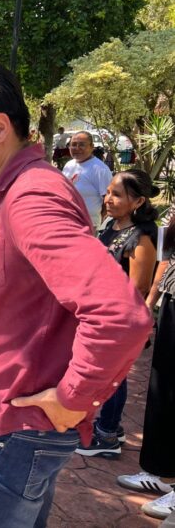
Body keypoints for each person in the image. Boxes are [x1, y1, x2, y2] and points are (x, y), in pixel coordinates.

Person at [0, 62, 152, 528]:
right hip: (18, 425)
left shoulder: (31, 198)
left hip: (16, 429)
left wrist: (74, 397)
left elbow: (120, 315)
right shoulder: (25, 189)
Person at [75, 169, 158, 458]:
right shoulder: (112, 225)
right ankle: (108, 427)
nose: (108, 198)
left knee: (114, 378)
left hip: (118, 319)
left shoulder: (141, 237)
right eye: (108, 192)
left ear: (138, 202)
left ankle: (108, 435)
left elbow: (138, 287)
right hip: (98, 313)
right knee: (104, 375)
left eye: (117, 194)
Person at [118, 215, 175, 520]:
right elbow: (168, 255)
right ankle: (159, 472)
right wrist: (150, 303)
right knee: (162, 387)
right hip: (173, 295)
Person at [62, 130, 112, 230]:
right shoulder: (69, 165)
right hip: (66, 221)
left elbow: (108, 198)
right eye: (73, 144)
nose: (77, 148)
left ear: (91, 147)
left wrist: (99, 221)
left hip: (87, 225)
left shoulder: (100, 169)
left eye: (81, 145)